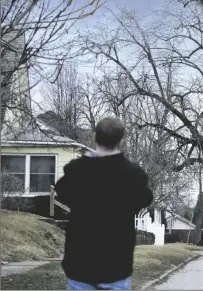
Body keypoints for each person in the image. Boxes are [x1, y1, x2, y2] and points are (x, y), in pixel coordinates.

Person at [55, 117, 153, 290]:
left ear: (94, 137)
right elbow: (145, 198)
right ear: (122, 141)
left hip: (80, 263)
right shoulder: (133, 176)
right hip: (116, 265)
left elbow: (62, 192)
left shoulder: (77, 170)